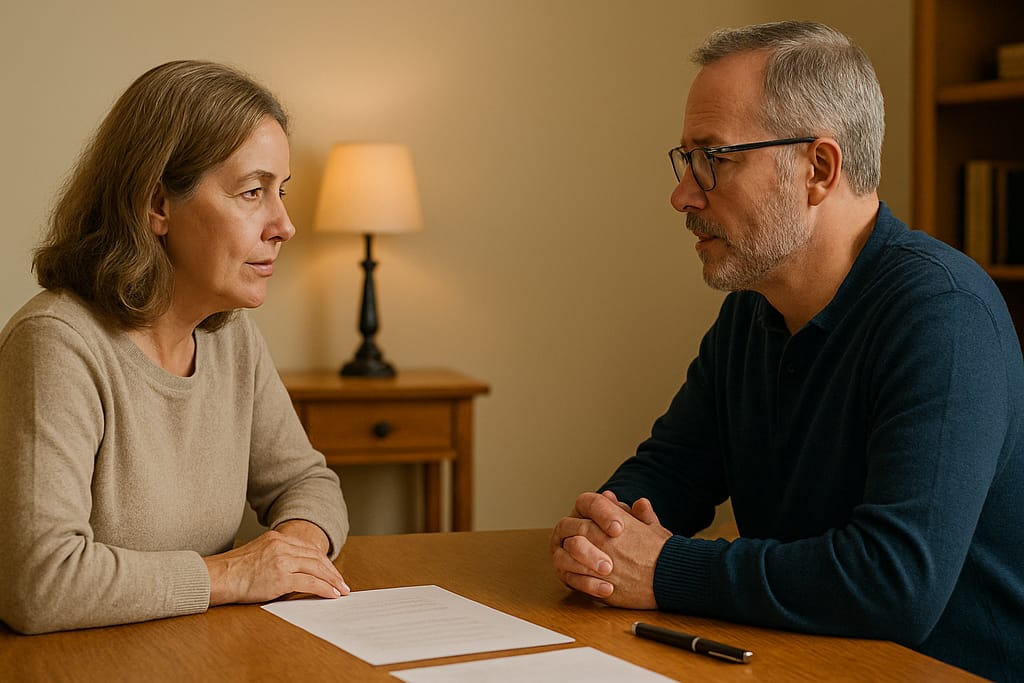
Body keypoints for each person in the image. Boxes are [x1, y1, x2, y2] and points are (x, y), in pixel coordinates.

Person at [550, 21, 1024, 682]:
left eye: (714, 157)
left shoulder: (943, 315)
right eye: (686, 160)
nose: (683, 193)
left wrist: (665, 567)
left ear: (819, 169)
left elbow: (895, 583)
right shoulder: (752, 310)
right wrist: (601, 533)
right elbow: (672, 471)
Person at [0, 60, 350, 634]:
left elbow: (308, 484)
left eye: (280, 192)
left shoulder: (231, 335)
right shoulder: (55, 345)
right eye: (253, 191)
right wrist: (234, 575)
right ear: (157, 205)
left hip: (199, 651)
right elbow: (41, 583)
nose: (284, 225)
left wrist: (293, 548)